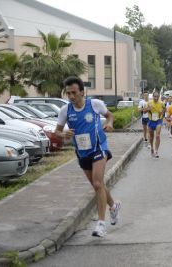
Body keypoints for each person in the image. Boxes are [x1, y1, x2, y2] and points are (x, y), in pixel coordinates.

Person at [56, 76, 121, 237]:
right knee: (97, 185)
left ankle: (101, 224)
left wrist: (110, 124)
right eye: (68, 93)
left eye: (74, 93)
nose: (71, 96)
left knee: (98, 183)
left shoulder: (94, 104)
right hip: (82, 152)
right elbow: (57, 131)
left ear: (82, 92)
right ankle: (113, 206)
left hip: (99, 147)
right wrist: (63, 134)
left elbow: (110, 116)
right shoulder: (65, 111)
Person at [144, 91, 165, 158]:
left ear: (159, 97)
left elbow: (165, 109)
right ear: (153, 96)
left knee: (158, 135)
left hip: (158, 121)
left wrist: (162, 112)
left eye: (157, 96)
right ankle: (152, 148)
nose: (156, 98)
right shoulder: (149, 103)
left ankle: (156, 151)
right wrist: (148, 109)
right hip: (151, 121)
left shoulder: (161, 103)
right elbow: (144, 111)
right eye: (155, 96)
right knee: (151, 137)